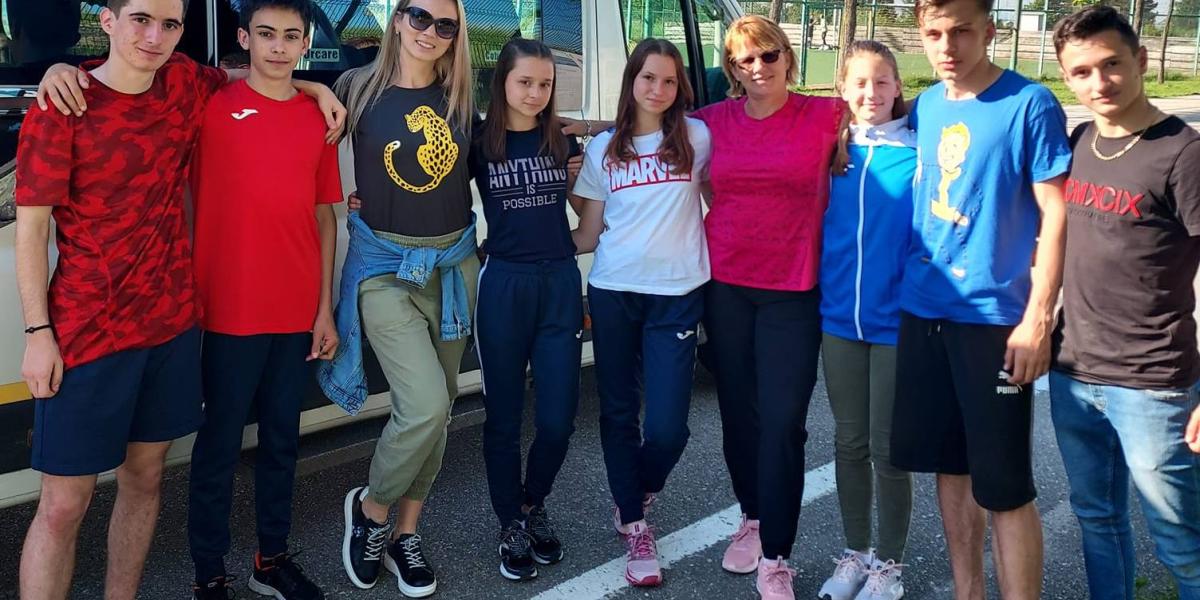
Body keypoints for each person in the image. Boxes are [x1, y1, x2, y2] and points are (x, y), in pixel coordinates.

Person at [15, 1, 342, 598]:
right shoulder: (63, 103)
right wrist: (38, 333)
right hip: (87, 331)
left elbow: (258, 74)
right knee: (63, 504)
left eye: (170, 25)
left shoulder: (186, 84)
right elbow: (32, 231)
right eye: (141, 18)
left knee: (144, 480)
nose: (155, 36)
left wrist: (318, 90)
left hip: (171, 327)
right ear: (107, 21)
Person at [887, 0, 1072, 597]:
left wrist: (1038, 317)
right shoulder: (927, 105)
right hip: (924, 310)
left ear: (990, 30)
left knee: (1006, 487)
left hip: (994, 319)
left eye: (962, 31)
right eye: (934, 33)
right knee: (951, 465)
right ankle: (967, 591)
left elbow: (1056, 212)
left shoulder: (1029, 103)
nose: (947, 46)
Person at [316, 0, 476, 596]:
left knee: (441, 408)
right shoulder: (356, 88)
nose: (430, 32)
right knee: (426, 404)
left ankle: (405, 533)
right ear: (397, 19)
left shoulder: (461, 97)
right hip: (383, 267)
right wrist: (313, 89)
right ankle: (371, 510)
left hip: (453, 269)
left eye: (445, 25)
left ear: (456, 35)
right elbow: (267, 79)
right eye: (418, 17)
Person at [185, 0, 342, 598]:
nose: (279, 46)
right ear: (244, 37)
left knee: (281, 444)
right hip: (229, 310)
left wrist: (323, 309)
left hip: (296, 311)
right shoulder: (209, 106)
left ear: (305, 43)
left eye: (291, 36)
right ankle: (209, 574)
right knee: (219, 448)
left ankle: (270, 561)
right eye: (267, 34)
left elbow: (325, 218)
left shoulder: (319, 118)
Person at [692, 15, 845, 600]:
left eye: (768, 55)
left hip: (794, 291)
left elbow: (890, 116)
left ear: (787, 57)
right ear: (731, 69)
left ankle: (777, 557)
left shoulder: (825, 115)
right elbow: (648, 125)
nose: (758, 67)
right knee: (739, 416)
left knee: (782, 424)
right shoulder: (713, 122)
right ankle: (753, 519)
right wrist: (583, 130)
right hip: (726, 286)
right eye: (744, 60)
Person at [1050, 6, 1200, 599]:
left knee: (1181, 542)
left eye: (1111, 64)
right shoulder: (1081, 141)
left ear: (1139, 60)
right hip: (1073, 374)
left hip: (1153, 383)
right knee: (1097, 520)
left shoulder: (1183, 153)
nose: (1099, 82)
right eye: (1082, 72)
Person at [571, 37, 711, 588]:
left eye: (669, 80)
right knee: (618, 412)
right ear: (632, 80)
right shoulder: (604, 150)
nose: (658, 88)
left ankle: (639, 487)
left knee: (669, 428)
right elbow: (588, 233)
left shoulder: (697, 138)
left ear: (680, 88)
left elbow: (724, 199)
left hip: (677, 294)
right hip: (613, 291)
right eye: (648, 77)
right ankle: (633, 521)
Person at [468, 37, 582, 582]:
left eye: (545, 84)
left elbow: (588, 203)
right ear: (503, 83)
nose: (535, 93)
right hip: (504, 286)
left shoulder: (561, 139)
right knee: (504, 419)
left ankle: (533, 503)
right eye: (524, 82)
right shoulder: (478, 142)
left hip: (559, 283)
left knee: (558, 421)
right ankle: (509, 522)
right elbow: (431, 194)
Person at [816, 40, 915, 600]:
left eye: (881, 81)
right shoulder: (830, 150)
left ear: (898, 86)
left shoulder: (921, 151)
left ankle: (890, 566)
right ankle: (855, 554)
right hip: (838, 322)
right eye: (859, 82)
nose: (870, 93)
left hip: (896, 326)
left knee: (888, 449)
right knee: (849, 443)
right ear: (843, 90)